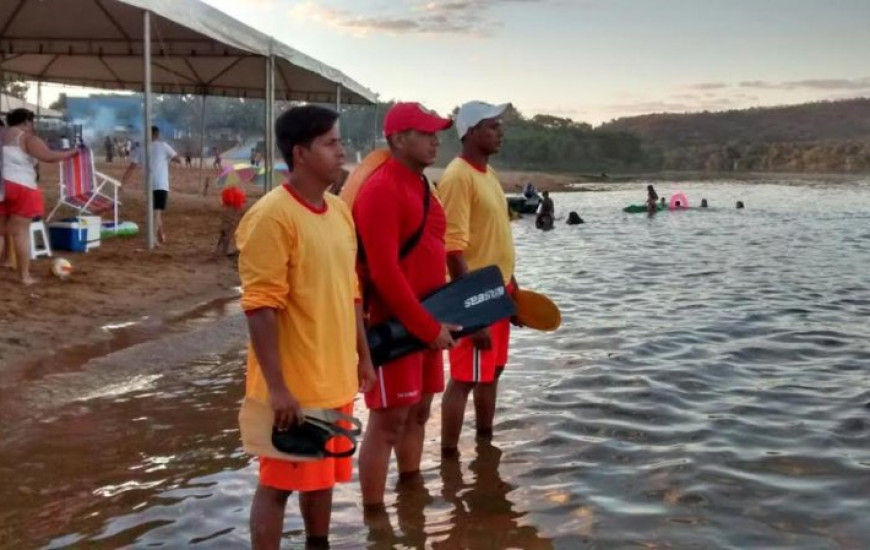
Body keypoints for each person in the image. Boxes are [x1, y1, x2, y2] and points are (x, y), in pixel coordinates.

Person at [236, 105, 376, 550]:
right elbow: (260, 307)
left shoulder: (338, 210)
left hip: (334, 375)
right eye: (331, 143)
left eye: (340, 141)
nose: (342, 152)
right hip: (293, 385)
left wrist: (364, 357)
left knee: (322, 479)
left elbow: (351, 290)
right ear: (300, 153)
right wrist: (277, 388)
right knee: (278, 484)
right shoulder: (271, 217)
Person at [352, 103, 458, 511]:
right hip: (396, 326)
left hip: (431, 318)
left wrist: (438, 321)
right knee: (388, 421)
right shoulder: (382, 188)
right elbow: (383, 271)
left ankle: (410, 496)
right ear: (398, 139)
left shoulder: (423, 185)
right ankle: (375, 518)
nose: (436, 140)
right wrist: (425, 327)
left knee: (419, 412)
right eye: (426, 133)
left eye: (437, 133)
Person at [438, 101, 521, 456]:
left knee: (494, 370)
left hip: (499, 291)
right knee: (465, 379)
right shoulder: (458, 177)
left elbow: (497, 237)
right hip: (474, 298)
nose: (500, 132)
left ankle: (486, 448)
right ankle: (449, 459)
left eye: (500, 126)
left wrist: (513, 290)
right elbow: (453, 249)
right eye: (492, 126)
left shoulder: (488, 174)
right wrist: (471, 318)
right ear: (470, 132)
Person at [0, 109, 77, 285]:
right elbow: (49, 157)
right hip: (21, 185)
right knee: (21, 233)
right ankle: (24, 276)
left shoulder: (2, 134)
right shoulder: (26, 138)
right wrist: (71, 153)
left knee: (1, 232)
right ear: (27, 121)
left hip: (1, 185)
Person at [121, 126, 180, 245]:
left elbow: (131, 168)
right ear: (157, 135)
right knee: (157, 212)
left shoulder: (141, 149)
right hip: (161, 183)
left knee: (155, 211)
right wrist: (168, 159)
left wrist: (122, 182)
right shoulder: (163, 146)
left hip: (148, 185)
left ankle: (160, 234)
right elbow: (178, 159)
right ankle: (153, 238)